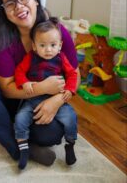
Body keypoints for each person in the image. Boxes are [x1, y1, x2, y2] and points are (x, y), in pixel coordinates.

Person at [0, 0, 80, 168]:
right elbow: (7, 89)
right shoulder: (2, 42)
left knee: (51, 134)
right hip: (11, 100)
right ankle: (19, 149)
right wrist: (41, 88)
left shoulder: (56, 32)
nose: (18, 6)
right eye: (10, 4)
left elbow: (75, 74)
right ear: (5, 13)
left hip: (40, 103)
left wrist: (57, 100)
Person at [14, 17, 78, 169]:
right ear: (34, 46)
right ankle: (23, 150)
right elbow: (19, 71)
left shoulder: (61, 58)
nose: (48, 50)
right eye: (42, 45)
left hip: (57, 100)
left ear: (60, 45)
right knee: (20, 118)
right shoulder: (30, 58)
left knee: (70, 117)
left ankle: (70, 144)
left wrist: (69, 89)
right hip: (33, 100)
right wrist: (25, 82)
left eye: (53, 45)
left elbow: (72, 74)